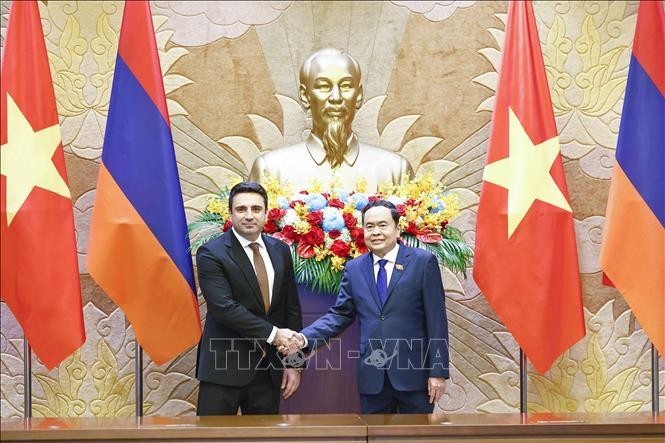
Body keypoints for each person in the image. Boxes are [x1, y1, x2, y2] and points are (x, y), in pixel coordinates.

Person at [279, 200, 449, 414]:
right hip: (373, 375)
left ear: (397, 229)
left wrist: (438, 372)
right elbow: (339, 315)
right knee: (375, 436)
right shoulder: (355, 268)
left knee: (416, 437)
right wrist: (304, 339)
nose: (375, 232)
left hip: (415, 375)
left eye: (382, 225)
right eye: (369, 226)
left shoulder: (423, 262)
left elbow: (437, 321)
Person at [195, 181, 303, 415]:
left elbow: (290, 309)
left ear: (266, 214)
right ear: (231, 213)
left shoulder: (281, 250)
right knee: (212, 440)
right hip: (223, 367)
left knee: (265, 440)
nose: (249, 215)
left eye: (256, 209)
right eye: (241, 209)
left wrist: (295, 364)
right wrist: (275, 335)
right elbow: (224, 308)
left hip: (268, 370)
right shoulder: (211, 253)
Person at [249, 48, 413, 192]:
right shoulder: (270, 170)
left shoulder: (395, 171)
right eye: (323, 86)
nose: (336, 97)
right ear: (305, 96)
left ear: (359, 95)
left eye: (346, 86)